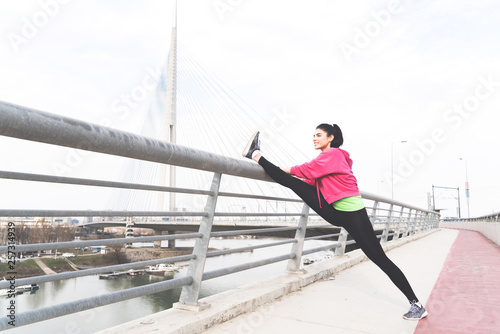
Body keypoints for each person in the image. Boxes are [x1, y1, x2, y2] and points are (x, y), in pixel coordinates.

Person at [242, 124, 428, 320]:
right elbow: (310, 179)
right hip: (340, 212)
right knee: (293, 183)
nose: (314, 138)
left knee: (379, 258)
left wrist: (282, 170)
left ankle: (416, 304)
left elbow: (304, 170)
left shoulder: (333, 154)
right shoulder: (329, 159)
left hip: (352, 214)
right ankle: (256, 155)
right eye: (313, 135)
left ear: (330, 137)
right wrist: (281, 173)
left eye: (319, 135)